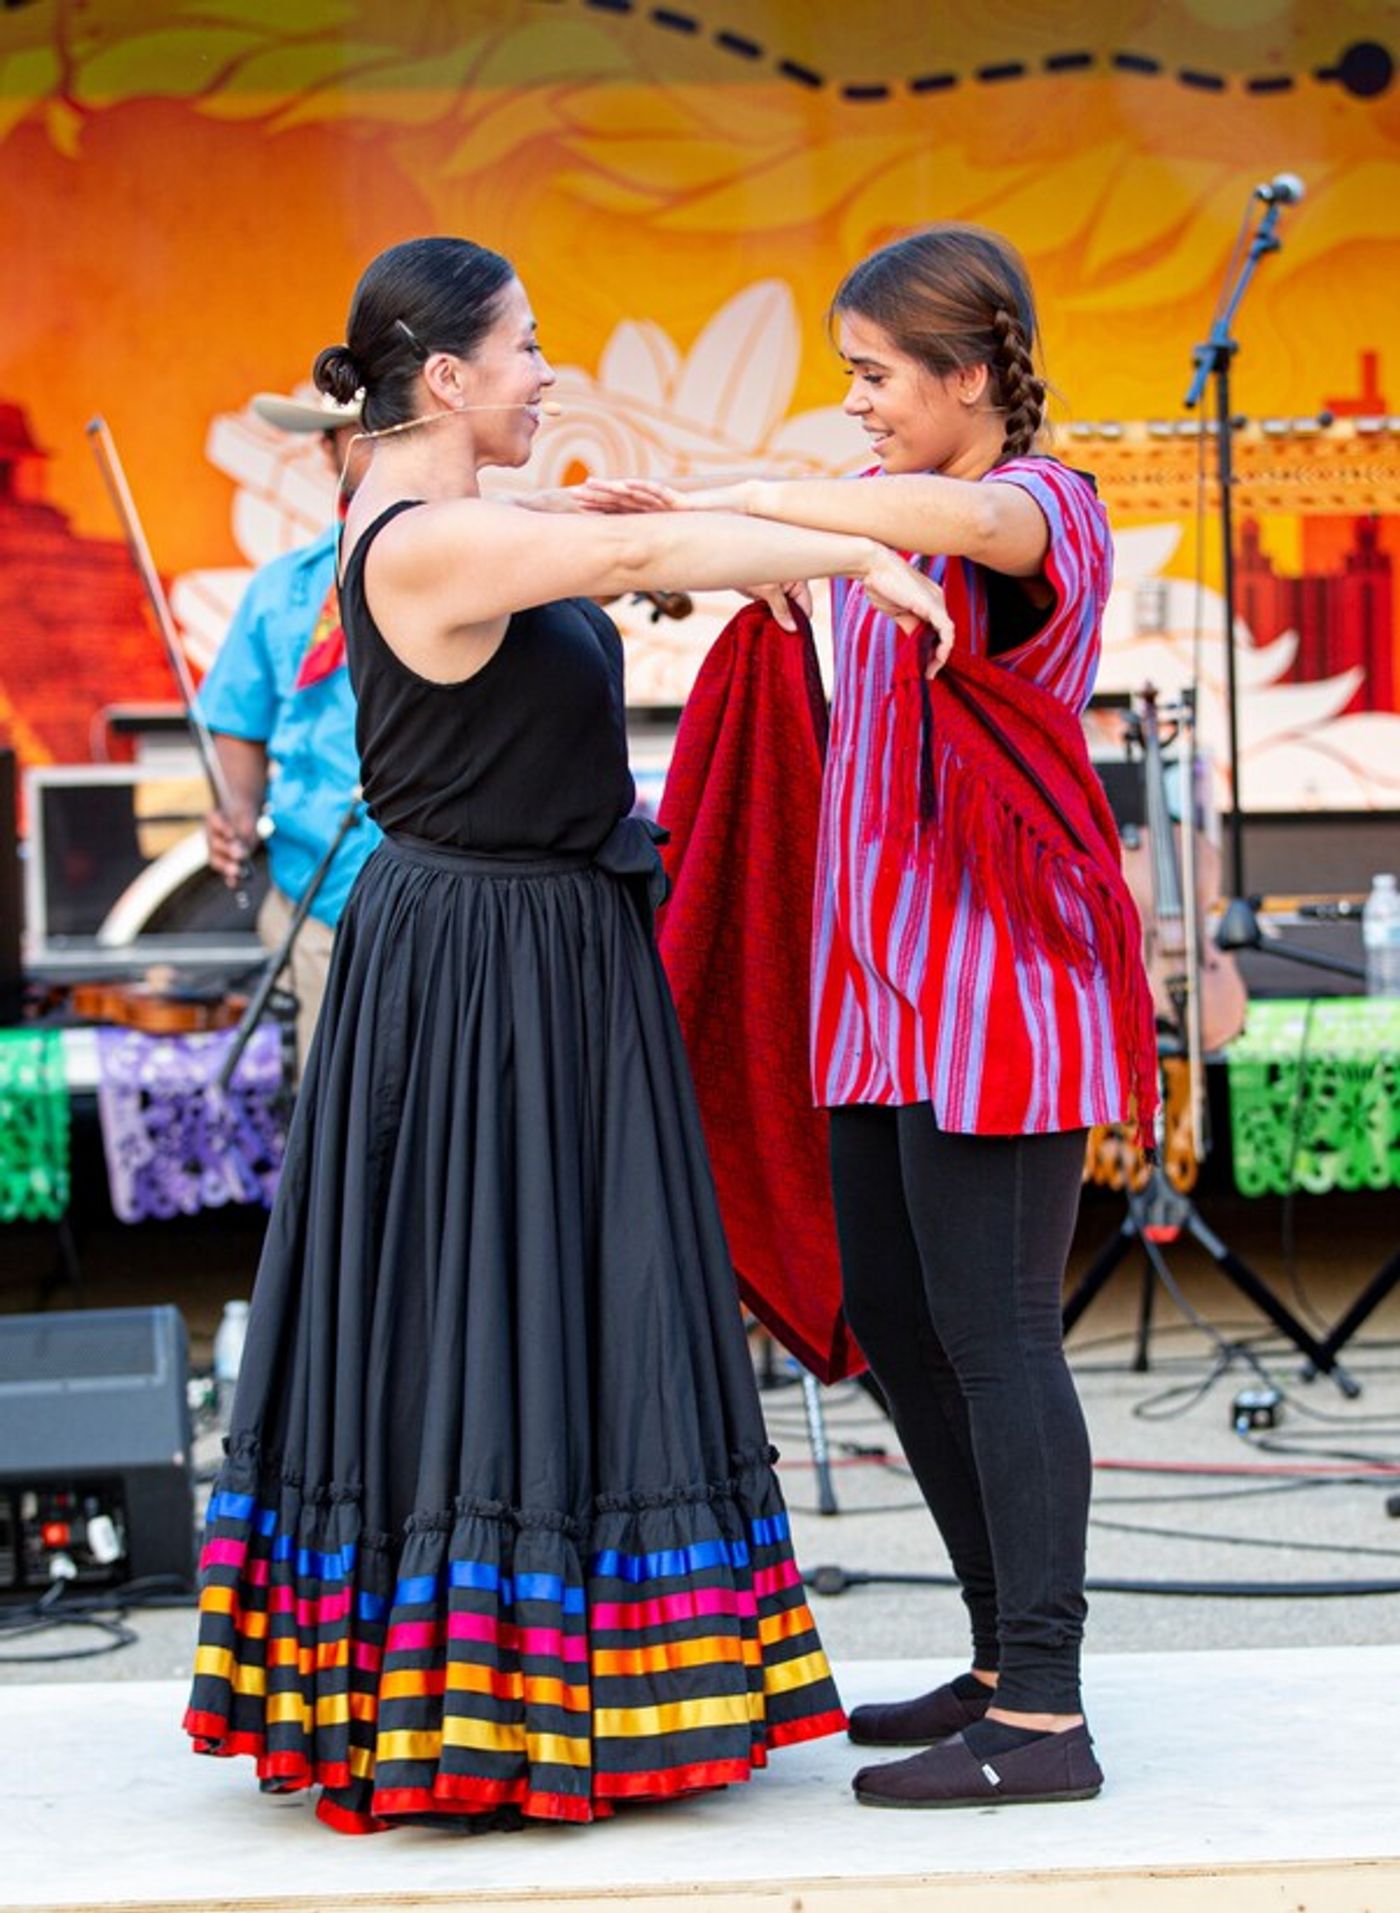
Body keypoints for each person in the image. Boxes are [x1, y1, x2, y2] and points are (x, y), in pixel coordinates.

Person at [183, 235, 950, 1834]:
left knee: (553, 1296)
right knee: (496, 1301)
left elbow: (591, 554)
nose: (549, 371)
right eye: (528, 347)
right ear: (449, 376)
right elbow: (596, 570)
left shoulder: (459, 523)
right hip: (483, 969)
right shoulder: (416, 543)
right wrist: (845, 557)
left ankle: (556, 1679)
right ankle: (484, 1709)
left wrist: (615, 529)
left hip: (543, 949)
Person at [581, 223, 1156, 1809]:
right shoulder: (872, 541)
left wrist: (771, 501)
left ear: (970, 374)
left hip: (1001, 997)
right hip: (880, 995)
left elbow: (956, 516)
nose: (858, 408)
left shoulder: (1043, 507)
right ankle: (994, 1658)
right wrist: (661, 525)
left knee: (996, 1336)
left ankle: (1045, 1717)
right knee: (899, 1330)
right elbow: (799, 552)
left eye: (876, 377)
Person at [199, 389, 380, 1071]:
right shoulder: (283, 590)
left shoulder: (471, 560)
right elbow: (240, 722)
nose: (381, 444)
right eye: (360, 432)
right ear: (326, 450)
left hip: (455, 904)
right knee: (341, 1120)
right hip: (325, 900)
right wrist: (238, 810)